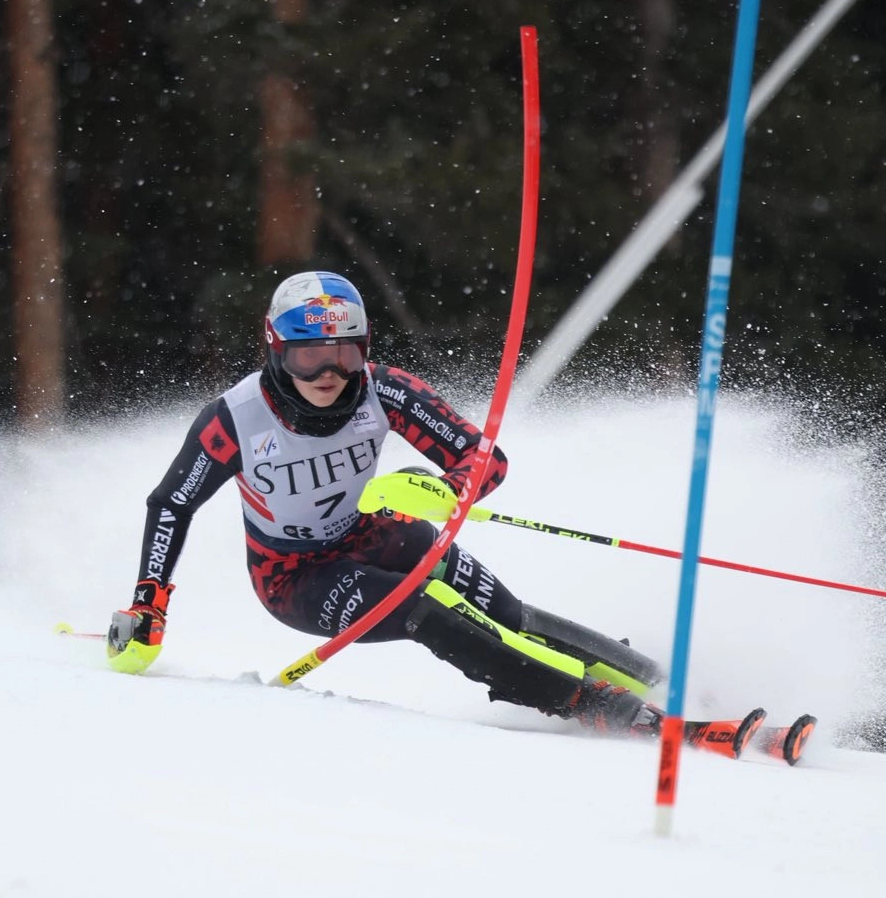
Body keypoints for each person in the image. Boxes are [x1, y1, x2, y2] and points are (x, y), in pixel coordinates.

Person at [105, 270, 665, 734]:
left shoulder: (384, 389)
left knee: (507, 613)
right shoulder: (236, 417)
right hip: (294, 575)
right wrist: (149, 602)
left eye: (344, 354)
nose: (328, 374)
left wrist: (445, 490)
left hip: (375, 532)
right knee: (427, 609)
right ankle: (598, 707)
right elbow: (172, 503)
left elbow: (484, 459)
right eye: (308, 357)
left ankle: (655, 679)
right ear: (277, 349)